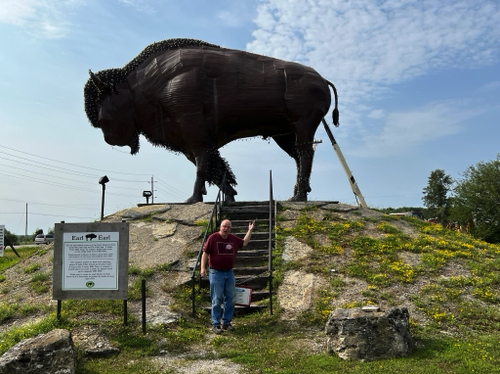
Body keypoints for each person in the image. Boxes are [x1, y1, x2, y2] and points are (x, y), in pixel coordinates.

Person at [200, 219, 255, 334]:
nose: (226, 229)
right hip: (216, 273)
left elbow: (244, 242)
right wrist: (203, 268)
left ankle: (226, 322)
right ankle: (215, 324)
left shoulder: (233, 239)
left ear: (230, 229)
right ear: (220, 227)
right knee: (216, 299)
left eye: (228, 227)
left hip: (229, 273)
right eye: (224, 226)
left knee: (230, 298)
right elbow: (205, 253)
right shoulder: (213, 238)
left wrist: (249, 230)